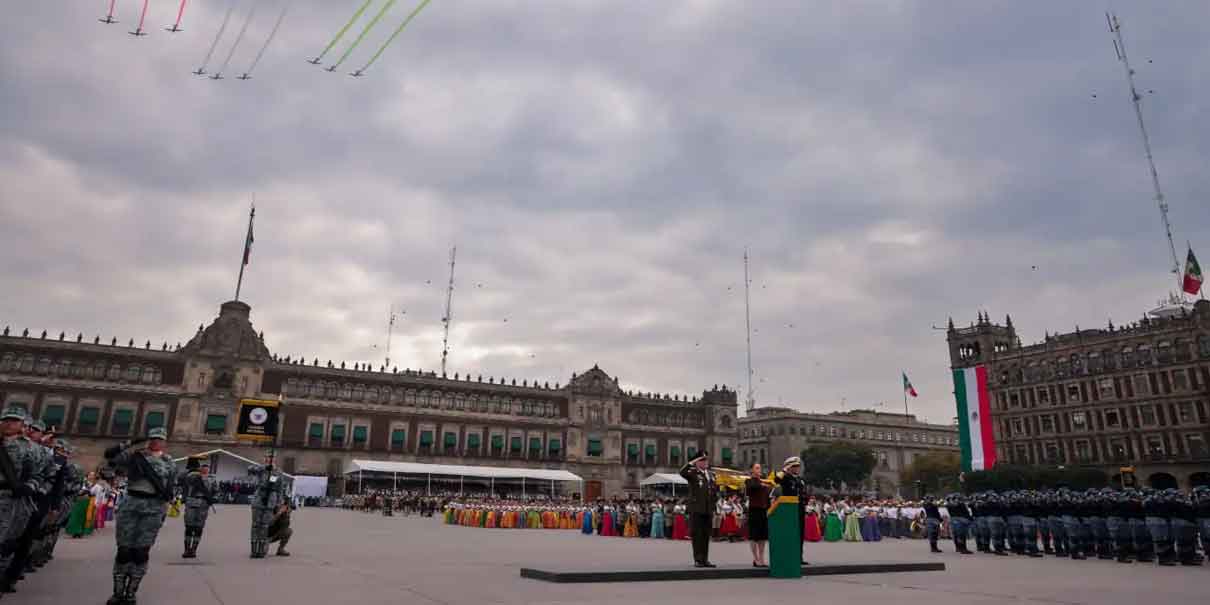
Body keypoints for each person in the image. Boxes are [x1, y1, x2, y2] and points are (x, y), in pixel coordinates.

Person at [104, 427, 177, 605]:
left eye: (159, 439)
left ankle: (131, 592)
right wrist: (131, 442)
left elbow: (169, 489)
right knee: (123, 550)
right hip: (131, 504)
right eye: (152, 438)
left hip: (153, 507)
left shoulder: (170, 463)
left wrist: (164, 512)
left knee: (141, 552)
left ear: (164, 442)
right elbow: (109, 455)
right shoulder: (135, 456)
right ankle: (118, 592)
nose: (155, 441)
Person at [679, 451, 717, 568]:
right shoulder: (693, 473)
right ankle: (698, 559)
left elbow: (713, 492)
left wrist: (714, 507)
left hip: (707, 509)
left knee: (706, 535)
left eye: (706, 460)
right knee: (697, 535)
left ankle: (705, 559)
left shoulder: (711, 475)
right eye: (702, 460)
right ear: (697, 462)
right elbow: (682, 472)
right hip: (696, 509)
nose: (706, 462)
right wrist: (691, 462)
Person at [248, 452, 289, 558]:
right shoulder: (260, 469)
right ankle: (253, 550)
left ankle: (261, 550)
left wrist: (279, 503)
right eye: (267, 457)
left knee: (265, 525)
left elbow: (280, 489)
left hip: (271, 500)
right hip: (258, 499)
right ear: (264, 458)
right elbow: (250, 470)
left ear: (275, 459)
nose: (269, 459)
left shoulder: (278, 472)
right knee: (255, 525)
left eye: (271, 457)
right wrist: (265, 467)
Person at [180, 458, 217, 559]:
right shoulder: (191, 475)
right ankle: (186, 549)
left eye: (206, 467)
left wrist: (212, 498)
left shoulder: (212, 479)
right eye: (202, 466)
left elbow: (215, 491)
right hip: (192, 501)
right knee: (189, 526)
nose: (204, 469)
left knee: (199, 527)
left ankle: (193, 550)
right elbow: (183, 480)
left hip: (204, 504)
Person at [773, 457, 807, 565]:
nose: (797, 468)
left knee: (800, 533)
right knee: (790, 532)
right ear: (789, 467)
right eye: (794, 466)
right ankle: (789, 555)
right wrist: (784, 470)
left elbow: (803, 493)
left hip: (799, 507)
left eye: (798, 466)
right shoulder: (786, 478)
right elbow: (776, 479)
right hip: (789, 508)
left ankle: (799, 556)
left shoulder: (799, 479)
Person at [744, 463, 769, 567]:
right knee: (754, 536)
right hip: (754, 510)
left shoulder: (763, 481)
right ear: (752, 470)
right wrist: (762, 483)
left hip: (763, 510)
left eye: (760, 468)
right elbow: (752, 487)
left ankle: (762, 557)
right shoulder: (749, 481)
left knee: (762, 536)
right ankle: (756, 558)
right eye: (757, 468)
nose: (759, 470)